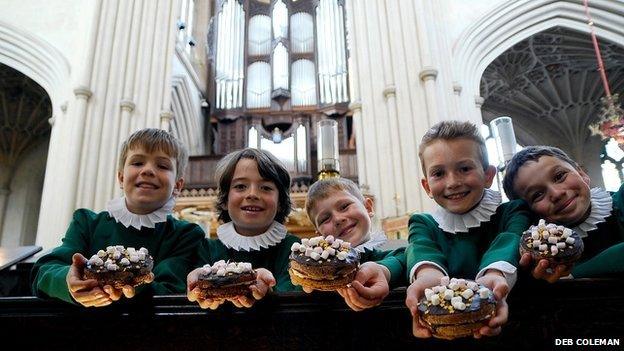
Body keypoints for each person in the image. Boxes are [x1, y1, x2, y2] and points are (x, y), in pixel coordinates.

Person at [31, 128, 205, 307]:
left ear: (177, 185)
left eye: (162, 166)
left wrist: (124, 284)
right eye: (137, 163)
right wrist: (69, 280)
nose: (147, 171)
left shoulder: (186, 235)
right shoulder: (87, 223)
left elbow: (169, 290)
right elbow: (43, 274)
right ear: (121, 177)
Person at [404, 120, 531, 338]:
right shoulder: (423, 223)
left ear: (488, 175)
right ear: (427, 187)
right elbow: (422, 252)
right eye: (439, 174)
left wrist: (494, 276)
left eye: (464, 169)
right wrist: (427, 281)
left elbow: (509, 240)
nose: (452, 182)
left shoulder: (512, 212)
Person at [186, 148, 301, 310]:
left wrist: (268, 290)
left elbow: (296, 297)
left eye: (266, 187)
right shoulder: (206, 249)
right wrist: (197, 285)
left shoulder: (294, 249)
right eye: (240, 186)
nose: (252, 194)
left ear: (281, 202)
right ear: (225, 199)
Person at [503, 145, 624, 281]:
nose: (557, 193)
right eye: (537, 194)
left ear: (581, 173)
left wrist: (574, 274)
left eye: (559, 176)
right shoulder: (542, 254)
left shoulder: (621, 201)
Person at [303, 177, 406, 311]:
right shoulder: (319, 274)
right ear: (320, 236)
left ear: (368, 207)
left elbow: (405, 259)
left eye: (344, 206)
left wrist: (384, 270)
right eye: (325, 219)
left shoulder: (394, 256)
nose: (338, 219)